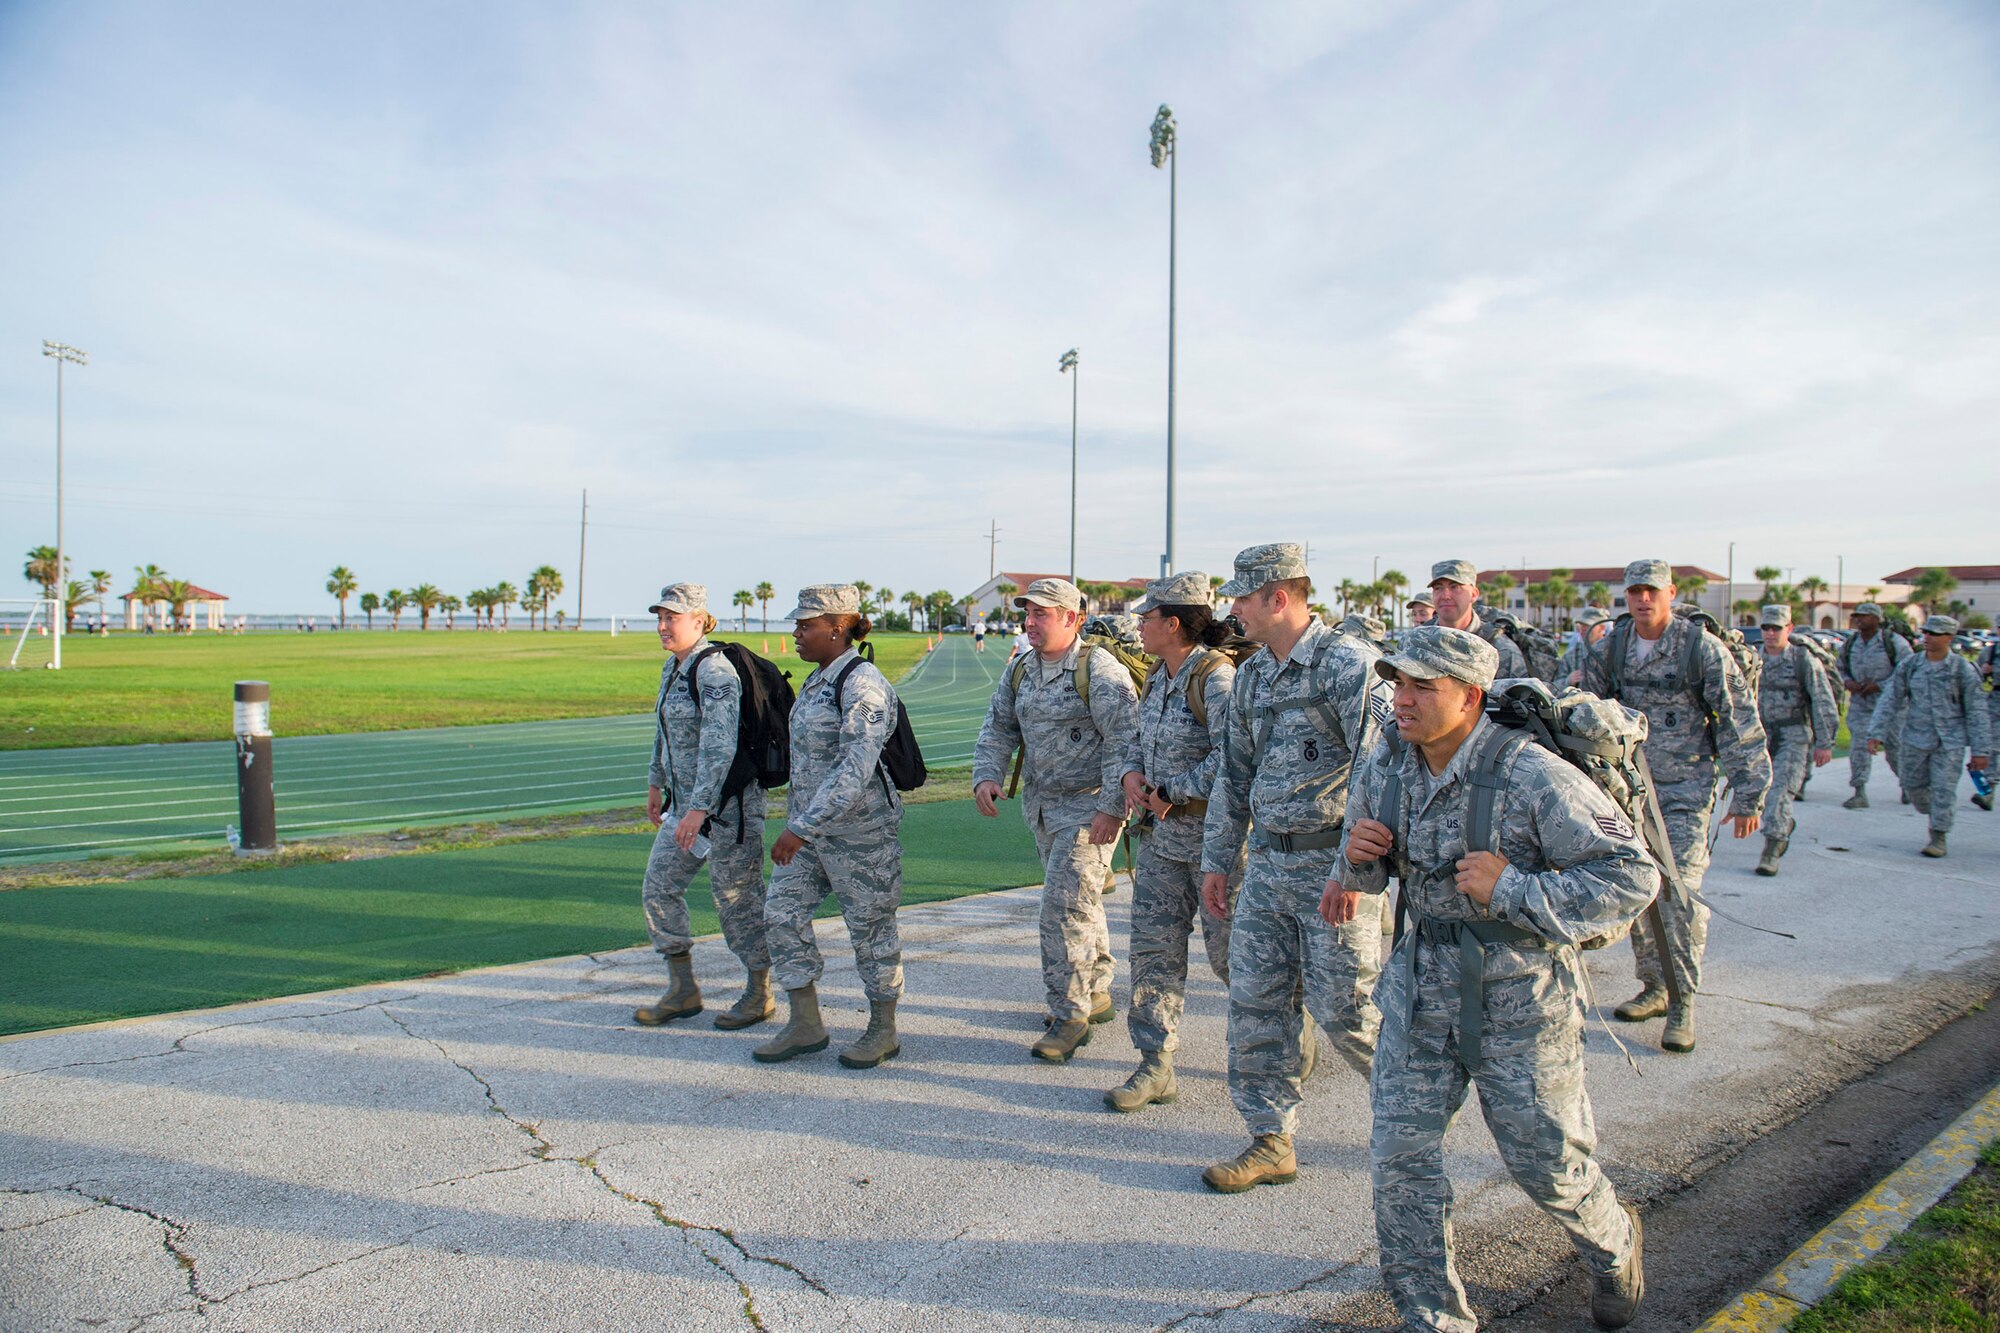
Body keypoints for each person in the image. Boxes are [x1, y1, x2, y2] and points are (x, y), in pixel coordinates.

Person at [1337, 626, 1652, 1333]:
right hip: (1420, 993)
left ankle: (1613, 1241)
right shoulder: (1388, 760)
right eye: (1398, 682)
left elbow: (1633, 877)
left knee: (1548, 1165)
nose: (1403, 698)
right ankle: (1434, 1317)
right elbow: (1371, 861)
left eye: (1423, 686)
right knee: (1399, 1163)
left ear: (1470, 696)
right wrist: (1358, 860)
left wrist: (1514, 889)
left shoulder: (1532, 774)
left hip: (1520, 1002)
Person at [1197, 543, 1391, 1192]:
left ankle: (1417, 1112)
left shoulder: (1347, 665)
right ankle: (1270, 1138)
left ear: (1278, 598)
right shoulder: (1252, 675)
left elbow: (1378, 769)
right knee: (1257, 1005)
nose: (1233, 609)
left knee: (1347, 1009)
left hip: (1332, 869)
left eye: (1242, 598)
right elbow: (1234, 775)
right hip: (1268, 871)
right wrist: (1219, 860)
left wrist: (1354, 873)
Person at [1580, 559, 1768, 1054]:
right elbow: (1587, 715)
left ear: (1671, 593)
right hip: (1627, 793)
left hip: (1685, 793)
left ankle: (1683, 1000)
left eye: (1653, 591)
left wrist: (1749, 794)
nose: (1644, 600)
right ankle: (1655, 987)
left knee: (1679, 897)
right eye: (1636, 591)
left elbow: (1737, 720)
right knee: (1638, 889)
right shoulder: (1612, 647)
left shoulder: (1698, 648)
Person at [972, 577, 1141, 1061]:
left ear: (1072, 618)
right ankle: (1099, 987)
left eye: (1041, 613)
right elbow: (998, 725)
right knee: (1080, 903)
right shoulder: (1022, 669)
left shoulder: (1100, 671)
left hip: (1090, 810)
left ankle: (1069, 1015)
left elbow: (1125, 744)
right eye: (1027, 612)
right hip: (1043, 808)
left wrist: (1112, 808)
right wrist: (987, 774)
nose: (1029, 622)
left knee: (1061, 907)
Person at [755, 585, 909, 1067]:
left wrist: (800, 827)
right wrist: (802, 826)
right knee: (780, 914)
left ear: (837, 628)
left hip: (860, 835)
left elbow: (854, 770)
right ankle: (805, 1022)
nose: (797, 634)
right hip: (810, 833)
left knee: (870, 930)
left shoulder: (862, 684)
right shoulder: (820, 679)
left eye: (806, 626)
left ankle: (883, 1029)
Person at [1106, 571, 1242, 1113]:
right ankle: (1155, 1063)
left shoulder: (1217, 679)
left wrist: (1173, 791)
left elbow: (1233, 757)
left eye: (1147, 616)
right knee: (1152, 953)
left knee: (1235, 959)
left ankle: (1287, 1034)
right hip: (1164, 841)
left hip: (1217, 845)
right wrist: (1131, 777)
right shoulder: (1159, 677)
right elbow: (1137, 741)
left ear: (1175, 623)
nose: (1138, 624)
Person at [632, 584, 774, 1031]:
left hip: (727, 811)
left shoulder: (714, 671)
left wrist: (699, 808)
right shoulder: (673, 669)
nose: (661, 626)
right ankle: (682, 989)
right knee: (659, 887)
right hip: (686, 808)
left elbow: (720, 745)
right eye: (659, 617)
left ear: (699, 620)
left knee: (736, 901)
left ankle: (759, 993)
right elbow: (664, 732)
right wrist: (657, 780)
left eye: (670, 618)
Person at [1867, 614, 1991, 859]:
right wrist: (1876, 733)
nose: (1927, 637)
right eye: (1925, 632)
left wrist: (1980, 750)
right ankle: (1934, 811)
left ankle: (1938, 836)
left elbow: (1976, 711)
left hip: (1950, 741)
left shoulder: (1962, 669)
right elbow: (1890, 699)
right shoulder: (1911, 665)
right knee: (1913, 786)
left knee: (1944, 789)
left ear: (1949, 637)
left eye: (1934, 634)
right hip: (1915, 738)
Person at [1754, 606, 1838, 877]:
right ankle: (1782, 826)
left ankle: (1772, 847)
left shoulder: (1803, 660)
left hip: (1794, 736)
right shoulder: (1752, 659)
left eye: (1776, 628)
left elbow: (1822, 701)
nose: (1769, 633)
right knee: (1763, 793)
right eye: (1765, 627)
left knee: (1780, 792)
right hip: (1761, 737)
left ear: (1789, 629)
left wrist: (1825, 742)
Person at [1839, 603, 1909, 809]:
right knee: (1859, 746)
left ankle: (1908, 786)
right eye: (1857, 616)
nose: (1859, 619)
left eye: (1865, 616)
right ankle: (1859, 791)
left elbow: (1905, 672)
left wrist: (1880, 686)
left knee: (1895, 749)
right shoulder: (1851, 643)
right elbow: (1839, 668)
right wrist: (1848, 682)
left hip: (1891, 707)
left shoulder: (1894, 643)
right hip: (1861, 705)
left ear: (1877, 619)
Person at [1426, 560, 1529, 679]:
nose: (1445, 596)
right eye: (1438, 588)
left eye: (1455, 587)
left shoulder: (1500, 649)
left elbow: (1514, 695)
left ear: (1474, 594)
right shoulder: (1416, 641)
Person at [1560, 608, 1612, 686]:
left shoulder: (1613, 652)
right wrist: (1568, 681)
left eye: (1587, 625)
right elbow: (1554, 686)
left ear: (1602, 628)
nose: (1583, 628)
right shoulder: (1571, 655)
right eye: (1581, 625)